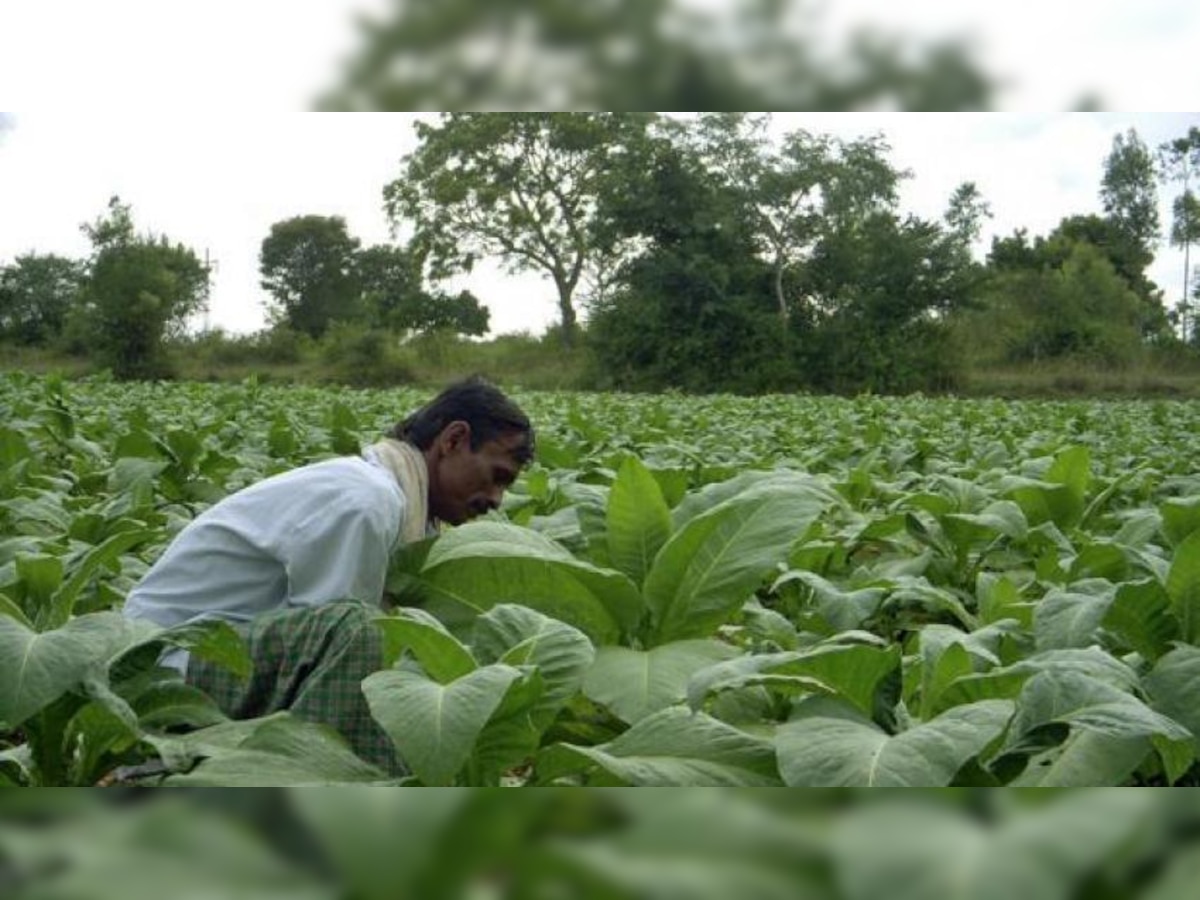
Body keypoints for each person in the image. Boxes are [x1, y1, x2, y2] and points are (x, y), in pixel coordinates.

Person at [122, 376, 534, 773]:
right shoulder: (369, 500)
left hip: (217, 656)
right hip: (162, 672)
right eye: (497, 477)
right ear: (453, 440)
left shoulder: (399, 501)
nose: (497, 500)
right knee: (362, 635)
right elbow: (341, 646)